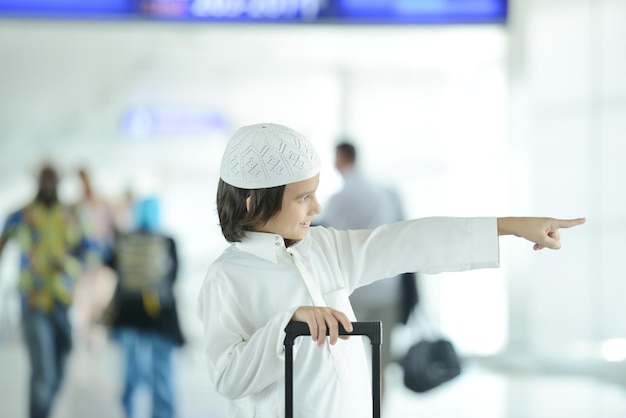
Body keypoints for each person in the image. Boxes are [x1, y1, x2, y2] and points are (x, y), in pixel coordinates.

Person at [197, 122, 585, 418]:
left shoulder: (322, 249)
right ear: (252, 203)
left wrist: (508, 226)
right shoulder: (227, 278)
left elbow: (407, 242)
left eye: (315, 194)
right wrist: (289, 326)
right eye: (303, 198)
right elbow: (229, 378)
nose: (316, 208)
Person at [314, 140, 412, 397]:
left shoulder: (338, 199)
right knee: (380, 361)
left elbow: (327, 239)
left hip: (352, 291)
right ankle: (380, 409)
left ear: (342, 159)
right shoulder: (385, 193)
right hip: (387, 288)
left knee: (346, 359)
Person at [0, 163, 91, 418]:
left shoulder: (73, 215)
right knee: (43, 371)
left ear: (59, 182)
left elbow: (88, 250)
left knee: (60, 368)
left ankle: (43, 411)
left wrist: (69, 264)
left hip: (63, 299)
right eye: (44, 181)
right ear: (37, 182)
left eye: (52, 181)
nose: (48, 186)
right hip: (33, 301)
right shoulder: (21, 215)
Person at [104, 196, 185, 418]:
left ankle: (128, 411)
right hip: (161, 315)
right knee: (162, 372)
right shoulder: (168, 241)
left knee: (131, 371)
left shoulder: (125, 240)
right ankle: (163, 414)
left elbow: (109, 264)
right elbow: (174, 277)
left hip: (129, 314)